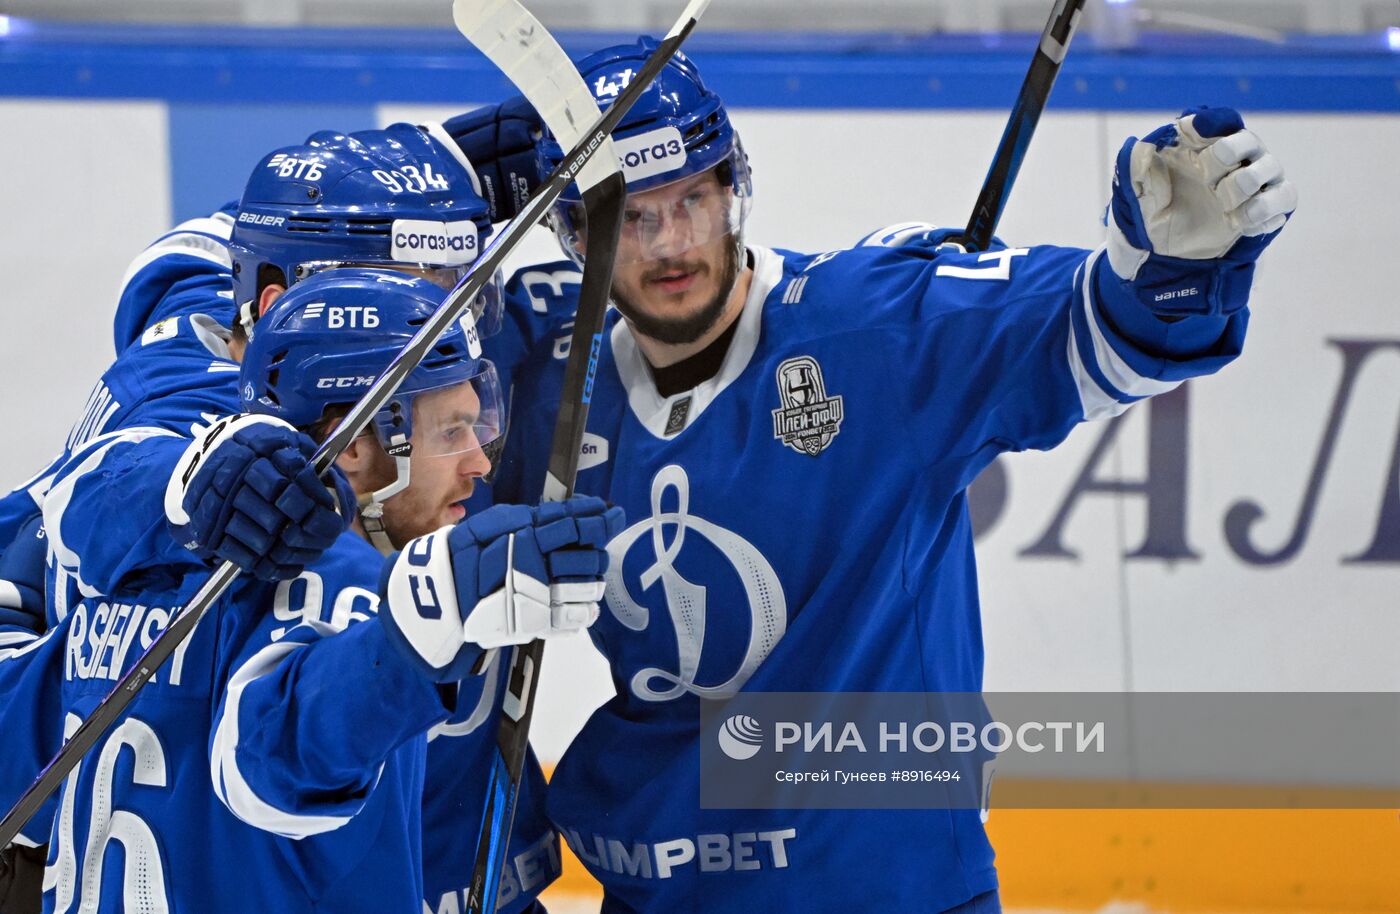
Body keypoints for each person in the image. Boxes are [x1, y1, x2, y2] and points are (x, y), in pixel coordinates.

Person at [474, 40, 1295, 913]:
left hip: (891, 894)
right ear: (577, 234)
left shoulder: (874, 329)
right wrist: (452, 184)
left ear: (734, 191)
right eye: (633, 217)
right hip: (656, 895)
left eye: (694, 203)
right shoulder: (548, 386)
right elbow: (374, 442)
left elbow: (1082, 333)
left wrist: (1169, 277)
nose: (672, 244)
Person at [0, 123, 572, 914]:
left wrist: (433, 165)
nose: (457, 322)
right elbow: (279, 750)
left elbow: (184, 259)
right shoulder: (245, 475)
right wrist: (188, 489)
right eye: (421, 282)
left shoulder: (274, 331)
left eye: (462, 283)